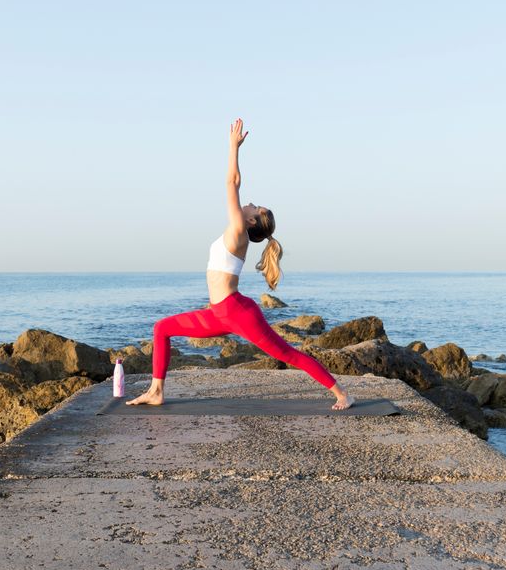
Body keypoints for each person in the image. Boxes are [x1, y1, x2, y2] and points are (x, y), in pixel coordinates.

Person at [126, 118, 355, 410]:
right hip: (218, 313)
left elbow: (231, 182)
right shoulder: (237, 231)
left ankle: (342, 394)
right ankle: (156, 391)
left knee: (287, 353)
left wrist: (233, 148)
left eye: (254, 206)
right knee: (162, 328)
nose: (248, 202)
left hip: (238, 313)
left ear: (250, 220)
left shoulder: (238, 231)